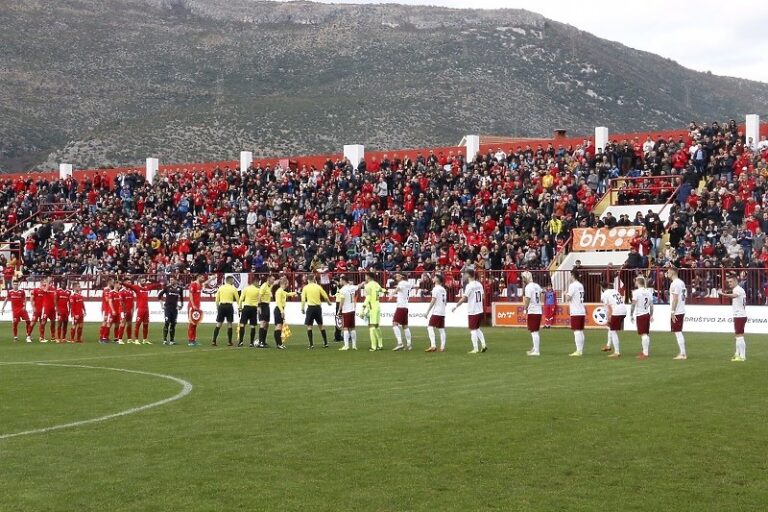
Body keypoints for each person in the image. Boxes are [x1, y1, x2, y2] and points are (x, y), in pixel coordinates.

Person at [452, 269, 487, 354]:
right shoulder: (479, 284)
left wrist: (456, 306)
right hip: (480, 309)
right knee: (477, 328)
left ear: (468, 275)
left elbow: (464, 298)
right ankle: (484, 344)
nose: (464, 276)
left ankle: (475, 348)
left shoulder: (469, 286)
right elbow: (483, 297)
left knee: (473, 330)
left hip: (473, 310)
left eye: (465, 274)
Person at [718, 274, 747, 362]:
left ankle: (742, 356)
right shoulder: (737, 289)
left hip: (739, 315)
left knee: (739, 336)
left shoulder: (738, 289)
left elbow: (735, 295)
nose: (729, 283)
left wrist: (723, 294)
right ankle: (737, 353)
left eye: (731, 281)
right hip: (739, 315)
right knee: (738, 335)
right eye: (728, 282)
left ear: (735, 281)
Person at [301, 274, 332, 349]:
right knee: (321, 325)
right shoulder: (318, 287)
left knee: (309, 326)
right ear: (314, 279)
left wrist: (302, 308)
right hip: (318, 308)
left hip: (310, 308)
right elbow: (325, 295)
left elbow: (303, 299)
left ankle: (311, 344)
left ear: (308, 280)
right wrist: (328, 302)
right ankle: (325, 343)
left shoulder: (305, 288)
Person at [126, 278, 160, 344]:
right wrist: (122, 283)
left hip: (146, 309)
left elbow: (153, 286)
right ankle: (136, 339)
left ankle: (145, 340)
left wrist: (160, 284)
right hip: (140, 308)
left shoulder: (147, 287)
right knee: (138, 324)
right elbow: (130, 286)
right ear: (139, 281)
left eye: (144, 281)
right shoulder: (136, 287)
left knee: (146, 324)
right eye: (143, 281)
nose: (144, 282)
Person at [600, 281, 626, 359]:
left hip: (617, 312)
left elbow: (607, 307)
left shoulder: (604, 295)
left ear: (602, 288)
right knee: (610, 328)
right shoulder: (615, 291)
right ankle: (608, 345)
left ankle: (617, 352)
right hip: (624, 310)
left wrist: (608, 317)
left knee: (613, 331)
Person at [630, 276, 654, 359]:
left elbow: (633, 304)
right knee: (645, 333)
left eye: (636, 281)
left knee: (643, 334)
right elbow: (651, 305)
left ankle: (645, 353)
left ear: (638, 282)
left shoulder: (636, 292)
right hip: (646, 314)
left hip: (640, 314)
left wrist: (631, 314)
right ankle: (644, 351)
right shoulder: (649, 292)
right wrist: (651, 315)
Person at [667, 266, 688, 360]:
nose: (667, 274)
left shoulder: (675, 284)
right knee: (678, 332)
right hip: (681, 309)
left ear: (673, 272)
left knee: (678, 332)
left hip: (677, 311)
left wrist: (672, 311)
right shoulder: (681, 282)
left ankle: (683, 353)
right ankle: (682, 352)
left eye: (668, 272)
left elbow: (675, 299)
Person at [212, 275, 238, 347]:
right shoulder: (233, 288)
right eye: (233, 280)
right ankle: (229, 342)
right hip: (229, 306)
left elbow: (217, 299)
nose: (233, 281)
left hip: (222, 306)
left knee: (219, 324)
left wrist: (218, 308)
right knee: (229, 324)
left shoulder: (220, 288)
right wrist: (240, 307)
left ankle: (214, 341)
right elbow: (237, 299)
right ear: (230, 281)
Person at [360, 272, 384, 351]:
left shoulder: (368, 286)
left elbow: (368, 297)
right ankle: (380, 344)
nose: (365, 277)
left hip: (372, 307)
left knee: (371, 327)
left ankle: (373, 346)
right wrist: (386, 292)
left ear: (368, 277)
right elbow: (382, 291)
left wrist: (363, 308)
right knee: (376, 326)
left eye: (366, 276)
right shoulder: (376, 284)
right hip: (378, 306)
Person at [564, 270, 586, 356]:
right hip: (581, 310)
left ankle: (578, 350)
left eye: (570, 275)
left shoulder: (572, 285)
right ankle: (580, 349)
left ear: (573, 275)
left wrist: (565, 293)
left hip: (576, 310)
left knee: (576, 331)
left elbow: (568, 298)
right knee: (580, 331)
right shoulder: (580, 285)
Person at [424, 274, 447, 352]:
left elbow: (433, 301)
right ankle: (442, 347)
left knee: (430, 327)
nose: (433, 278)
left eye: (434, 277)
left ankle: (433, 345)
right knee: (441, 329)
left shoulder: (435, 289)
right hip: (442, 311)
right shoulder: (443, 289)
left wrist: (427, 312)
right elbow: (445, 302)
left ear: (437, 280)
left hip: (437, 311)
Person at [158, 276, 184, 346]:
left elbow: (181, 298)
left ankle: (172, 340)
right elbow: (160, 295)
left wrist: (181, 306)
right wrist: (161, 304)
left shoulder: (180, 288)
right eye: (170, 280)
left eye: (172, 280)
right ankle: (165, 340)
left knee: (173, 324)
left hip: (174, 309)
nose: (171, 281)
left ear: (176, 280)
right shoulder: (167, 288)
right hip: (168, 308)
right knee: (167, 322)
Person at [522, 271, 543, 356]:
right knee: (534, 331)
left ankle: (536, 351)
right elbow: (542, 294)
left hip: (533, 311)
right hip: (538, 309)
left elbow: (527, 299)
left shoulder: (528, 287)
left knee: (534, 331)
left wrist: (525, 309)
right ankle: (535, 348)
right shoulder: (537, 285)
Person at [335, 275, 358, 351]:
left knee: (345, 328)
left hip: (346, 310)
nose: (340, 282)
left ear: (344, 281)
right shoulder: (352, 287)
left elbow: (342, 301)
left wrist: (339, 310)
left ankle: (346, 345)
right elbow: (358, 286)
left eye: (341, 280)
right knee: (352, 328)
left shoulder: (342, 290)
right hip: (352, 309)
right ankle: (354, 345)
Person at [391, 272, 413, 351]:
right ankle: (409, 344)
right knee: (405, 326)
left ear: (402, 276)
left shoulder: (402, 283)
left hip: (401, 306)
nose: (396, 276)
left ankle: (400, 343)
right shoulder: (408, 284)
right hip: (405, 306)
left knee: (394, 324)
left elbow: (398, 288)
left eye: (398, 275)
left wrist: (392, 294)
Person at [273, 277, 297, 349]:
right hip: (279, 309)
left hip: (280, 309)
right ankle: (278, 344)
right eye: (287, 283)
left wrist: (296, 293)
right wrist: (282, 311)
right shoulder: (279, 291)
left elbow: (288, 294)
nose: (288, 285)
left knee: (279, 326)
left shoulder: (282, 291)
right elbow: (278, 302)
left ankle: (279, 343)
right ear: (284, 283)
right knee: (278, 326)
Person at [237, 277, 261, 347]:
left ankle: (240, 342)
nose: (258, 284)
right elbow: (260, 300)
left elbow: (241, 299)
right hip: (253, 309)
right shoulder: (258, 290)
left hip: (246, 308)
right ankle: (251, 343)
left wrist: (240, 308)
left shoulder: (246, 289)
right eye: (258, 282)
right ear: (255, 282)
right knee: (252, 326)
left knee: (242, 324)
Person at [257, 275, 276, 348]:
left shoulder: (269, 286)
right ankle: (260, 342)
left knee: (267, 324)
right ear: (268, 279)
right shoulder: (264, 286)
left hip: (267, 305)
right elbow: (259, 296)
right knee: (263, 322)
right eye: (272, 279)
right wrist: (259, 306)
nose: (273, 281)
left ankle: (263, 341)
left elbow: (275, 283)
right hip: (262, 305)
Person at [187, 274, 206, 347]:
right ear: (198, 277)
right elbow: (191, 295)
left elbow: (205, 283)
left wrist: (211, 279)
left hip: (197, 307)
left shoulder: (199, 285)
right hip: (192, 307)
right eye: (202, 277)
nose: (203, 278)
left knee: (195, 323)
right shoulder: (193, 284)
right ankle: (190, 340)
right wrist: (193, 305)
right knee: (191, 323)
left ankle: (193, 339)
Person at [39, 278, 57, 344]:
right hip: (46, 308)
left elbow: (55, 298)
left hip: (52, 308)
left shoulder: (54, 289)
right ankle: (41, 337)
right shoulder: (45, 287)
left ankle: (53, 337)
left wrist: (56, 307)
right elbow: (45, 290)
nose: (51, 283)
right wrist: (47, 283)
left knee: (53, 322)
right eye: (50, 282)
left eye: (51, 282)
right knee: (43, 322)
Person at [98, 278, 115, 343]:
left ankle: (105, 337)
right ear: (109, 282)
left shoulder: (111, 290)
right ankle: (101, 337)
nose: (113, 283)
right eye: (112, 282)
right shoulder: (106, 289)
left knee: (109, 322)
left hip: (109, 308)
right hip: (106, 308)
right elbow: (107, 299)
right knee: (105, 322)